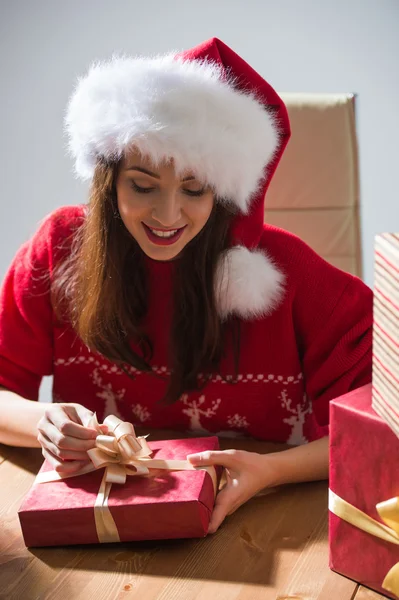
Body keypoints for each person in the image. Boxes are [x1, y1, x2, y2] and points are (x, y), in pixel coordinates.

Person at [0, 38, 372, 534]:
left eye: (194, 190)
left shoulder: (290, 273)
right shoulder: (59, 248)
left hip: (264, 521)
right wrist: (44, 419)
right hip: (99, 531)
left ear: (222, 191)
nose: (168, 215)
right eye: (142, 185)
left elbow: (379, 420)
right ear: (109, 179)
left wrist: (272, 470)